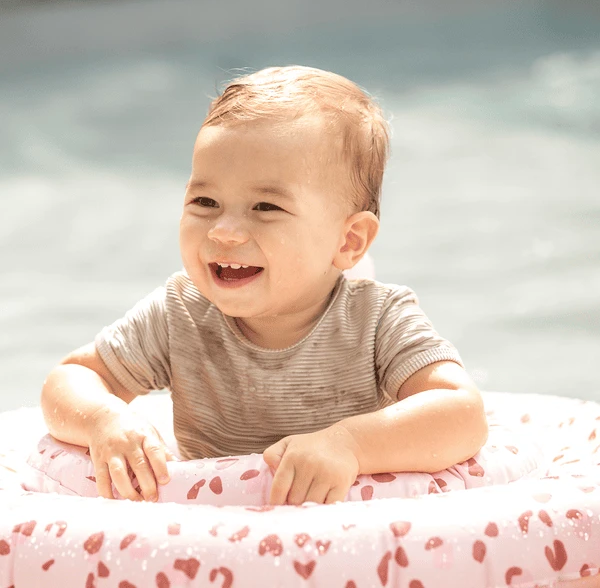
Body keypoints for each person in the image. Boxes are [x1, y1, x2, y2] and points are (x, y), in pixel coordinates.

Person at [41, 65, 488, 507]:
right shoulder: (180, 313)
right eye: (205, 201)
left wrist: (350, 444)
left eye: (266, 207)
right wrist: (104, 419)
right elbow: (72, 377)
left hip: (343, 527)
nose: (223, 231)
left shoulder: (376, 320)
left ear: (348, 240)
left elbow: (461, 413)